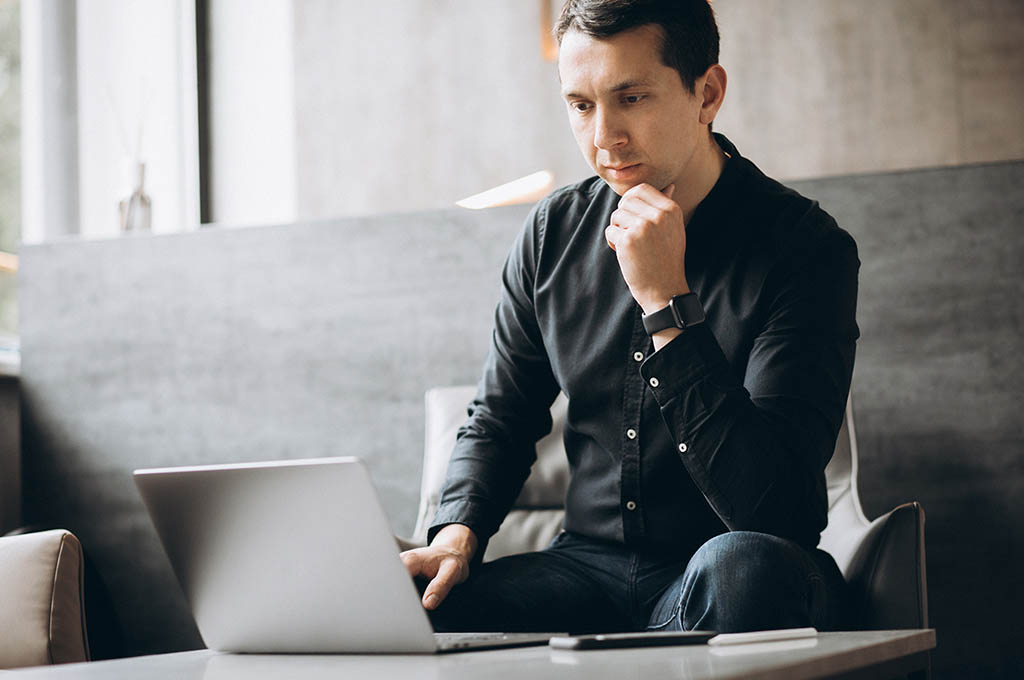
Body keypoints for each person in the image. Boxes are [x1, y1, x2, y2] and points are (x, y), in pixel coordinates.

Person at [401, 0, 859, 634]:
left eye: (632, 98)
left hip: (727, 572)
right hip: (587, 571)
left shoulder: (806, 249)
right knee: (415, 604)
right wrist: (456, 535)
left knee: (745, 567)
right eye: (582, 105)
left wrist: (667, 304)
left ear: (707, 93)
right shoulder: (550, 235)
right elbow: (501, 416)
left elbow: (775, 512)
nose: (603, 138)